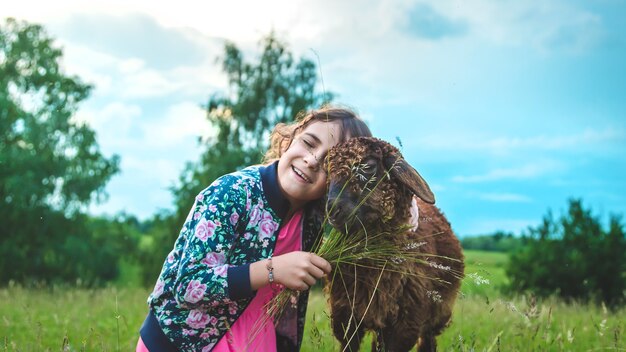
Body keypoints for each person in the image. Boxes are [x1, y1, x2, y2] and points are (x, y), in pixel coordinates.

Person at [137, 107, 372, 352]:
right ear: (290, 141)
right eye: (309, 143)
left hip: (254, 338)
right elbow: (188, 284)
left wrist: (408, 207)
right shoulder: (233, 192)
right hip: (181, 343)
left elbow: (370, 217)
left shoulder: (314, 218)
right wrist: (273, 270)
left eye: (328, 163)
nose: (312, 161)